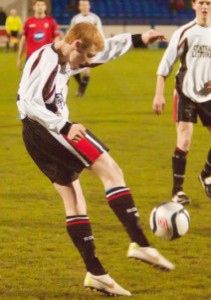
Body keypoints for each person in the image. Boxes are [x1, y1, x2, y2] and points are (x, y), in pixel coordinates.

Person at [17, 22, 174, 297]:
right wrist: (64, 127)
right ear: (76, 44)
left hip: (37, 135)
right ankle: (140, 243)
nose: (88, 62)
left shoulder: (66, 57)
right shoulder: (47, 60)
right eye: (86, 56)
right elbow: (30, 103)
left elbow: (106, 51)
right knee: (111, 170)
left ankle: (96, 273)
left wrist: (140, 38)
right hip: (49, 128)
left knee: (75, 201)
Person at [153, 0, 211, 205]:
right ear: (194, 5)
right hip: (185, 92)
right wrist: (159, 95)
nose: (205, 6)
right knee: (184, 140)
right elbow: (165, 66)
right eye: (202, 2)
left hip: (208, 96)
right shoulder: (184, 32)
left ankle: (206, 175)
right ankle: (177, 191)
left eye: (209, 3)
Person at [70, 0, 105, 97]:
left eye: (86, 5)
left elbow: (100, 33)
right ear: (79, 7)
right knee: (74, 68)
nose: (84, 6)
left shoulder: (94, 18)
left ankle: (81, 92)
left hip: (90, 47)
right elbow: (71, 33)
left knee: (87, 69)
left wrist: (99, 46)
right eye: (82, 5)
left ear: (89, 6)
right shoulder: (75, 19)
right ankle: (81, 85)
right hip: (78, 47)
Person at [17, 0, 60, 70]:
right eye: (38, 5)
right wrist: (19, 58)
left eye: (42, 5)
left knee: (46, 80)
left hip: (47, 58)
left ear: (45, 7)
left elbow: (57, 38)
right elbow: (23, 40)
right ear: (34, 7)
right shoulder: (28, 22)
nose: (40, 7)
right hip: (31, 57)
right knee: (28, 81)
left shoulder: (51, 21)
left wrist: (54, 52)